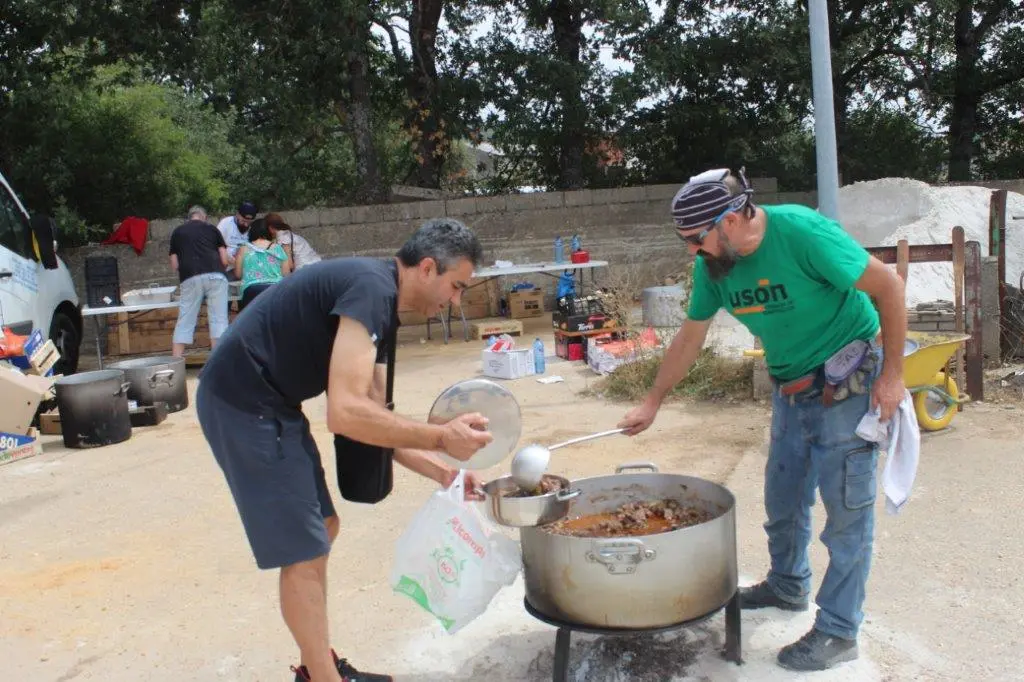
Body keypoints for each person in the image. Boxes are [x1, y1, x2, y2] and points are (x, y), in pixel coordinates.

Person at [618, 168, 907, 672]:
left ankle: (839, 631)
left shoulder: (803, 234)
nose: (692, 251)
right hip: (790, 387)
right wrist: (653, 399)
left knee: (846, 514)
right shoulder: (714, 266)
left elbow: (889, 287)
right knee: (783, 498)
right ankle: (788, 585)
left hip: (847, 381)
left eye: (695, 239)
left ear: (729, 221)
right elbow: (691, 335)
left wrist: (894, 376)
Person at [196, 217, 495, 682]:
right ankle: (321, 677)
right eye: (456, 286)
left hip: (271, 401)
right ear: (428, 268)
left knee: (323, 528)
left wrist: (445, 473)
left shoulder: (383, 302)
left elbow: (374, 420)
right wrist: (441, 437)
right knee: (304, 548)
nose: (455, 300)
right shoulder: (372, 291)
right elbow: (346, 414)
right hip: (243, 400)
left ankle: (319, 665)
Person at [168, 205, 230, 358]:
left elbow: (175, 265)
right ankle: (218, 361)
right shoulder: (213, 229)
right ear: (205, 217)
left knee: (185, 319)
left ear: (189, 217)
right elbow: (224, 260)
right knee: (219, 319)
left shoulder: (178, 232)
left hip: (190, 276)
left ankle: (176, 362)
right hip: (216, 276)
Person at [234, 217, 292, 311]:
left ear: (251, 231)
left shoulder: (244, 249)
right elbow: (286, 274)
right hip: (275, 290)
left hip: (251, 291)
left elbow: (238, 274)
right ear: (268, 231)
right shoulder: (278, 248)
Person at [217, 200, 258, 278]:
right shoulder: (225, 223)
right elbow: (215, 244)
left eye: (249, 222)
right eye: (243, 221)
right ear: (237, 214)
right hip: (227, 267)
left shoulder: (253, 227)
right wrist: (227, 257)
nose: (246, 224)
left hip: (247, 269)